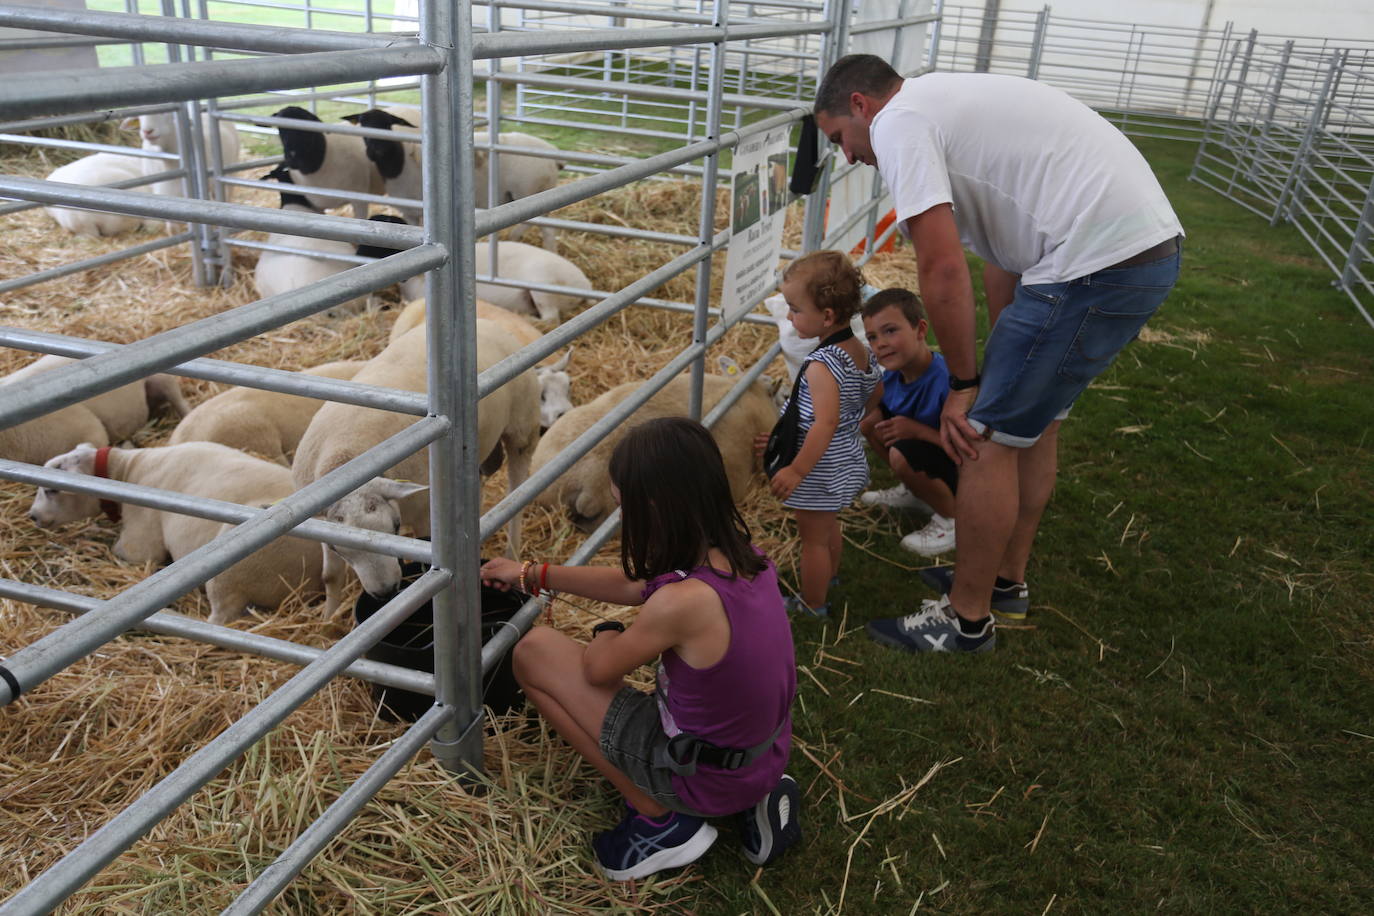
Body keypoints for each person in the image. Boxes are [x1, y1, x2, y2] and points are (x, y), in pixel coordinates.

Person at [813, 55, 1182, 654]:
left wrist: (964, 384)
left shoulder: (899, 123)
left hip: (1094, 261)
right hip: (1131, 249)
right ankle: (1004, 582)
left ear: (860, 104)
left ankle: (966, 620)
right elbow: (1001, 255)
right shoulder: (944, 105)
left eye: (839, 139)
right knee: (1029, 427)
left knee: (980, 437)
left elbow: (940, 265)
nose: (849, 155)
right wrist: (994, 366)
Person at [480, 417, 800, 881]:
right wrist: (534, 572)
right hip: (761, 758)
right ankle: (753, 798)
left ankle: (660, 817)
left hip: (698, 774)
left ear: (655, 507)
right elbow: (637, 583)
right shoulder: (744, 558)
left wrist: (606, 630)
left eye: (623, 505)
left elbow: (599, 671)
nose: (623, 516)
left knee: (533, 653)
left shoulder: (683, 603)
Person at [765, 250, 881, 618]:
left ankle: (812, 603)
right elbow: (875, 394)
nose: (789, 316)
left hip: (818, 466)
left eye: (795, 309)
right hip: (844, 455)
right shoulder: (860, 350)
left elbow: (824, 423)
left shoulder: (821, 364)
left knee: (812, 539)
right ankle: (828, 578)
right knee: (828, 526)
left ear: (827, 316)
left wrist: (796, 470)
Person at [858, 287, 959, 557]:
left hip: (964, 467)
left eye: (890, 330)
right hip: (931, 455)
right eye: (872, 336)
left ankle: (952, 519)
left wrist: (918, 431)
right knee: (869, 422)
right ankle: (917, 491)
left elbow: (976, 450)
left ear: (920, 329)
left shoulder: (948, 382)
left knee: (901, 454)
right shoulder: (891, 377)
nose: (880, 343)